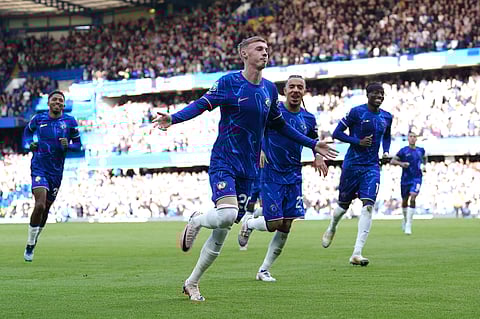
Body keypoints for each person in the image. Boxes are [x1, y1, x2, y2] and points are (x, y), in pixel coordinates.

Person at [152, 36, 338, 301]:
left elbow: (280, 125)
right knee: (227, 215)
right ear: (243, 53)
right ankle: (195, 219)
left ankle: (192, 282)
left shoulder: (270, 90)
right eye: (259, 49)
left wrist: (312, 144)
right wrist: (174, 118)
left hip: (250, 169)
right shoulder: (229, 83)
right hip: (225, 160)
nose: (265, 53)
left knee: (223, 231)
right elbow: (202, 105)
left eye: (267, 49)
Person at [237, 74, 329, 282]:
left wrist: (318, 156)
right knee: (274, 223)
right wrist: (259, 148)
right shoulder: (273, 111)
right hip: (271, 173)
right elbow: (255, 129)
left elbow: (313, 140)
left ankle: (264, 270)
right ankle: (249, 223)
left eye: (300, 87)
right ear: (285, 90)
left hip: (294, 175)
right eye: (292, 87)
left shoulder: (308, 118)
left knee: (287, 225)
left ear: (304, 91)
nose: (296, 90)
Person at [321, 82, 392, 266]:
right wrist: (357, 141)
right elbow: (337, 133)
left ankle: (357, 252)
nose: (379, 96)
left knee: (368, 205)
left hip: (372, 166)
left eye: (382, 93)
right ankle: (332, 226)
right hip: (352, 165)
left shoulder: (387, 117)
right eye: (376, 93)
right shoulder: (356, 112)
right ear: (367, 95)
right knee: (342, 206)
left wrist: (385, 151)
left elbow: (387, 136)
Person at [23, 90, 82, 262]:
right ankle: (29, 243)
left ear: (63, 105)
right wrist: (29, 144)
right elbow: (27, 133)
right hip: (39, 167)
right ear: (48, 103)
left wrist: (68, 146)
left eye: (60, 100)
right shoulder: (38, 119)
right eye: (54, 100)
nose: (57, 102)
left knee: (46, 209)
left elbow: (78, 144)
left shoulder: (70, 122)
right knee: (40, 205)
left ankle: (33, 241)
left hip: (56, 171)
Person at [390, 131, 426, 235]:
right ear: (408, 138)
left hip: (417, 178)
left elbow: (423, 160)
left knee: (413, 196)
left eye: (414, 136)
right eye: (411, 136)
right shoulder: (403, 151)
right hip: (405, 179)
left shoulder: (421, 150)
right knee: (404, 201)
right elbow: (392, 161)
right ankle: (405, 220)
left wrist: (423, 167)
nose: (412, 138)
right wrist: (401, 163)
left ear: (416, 139)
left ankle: (409, 225)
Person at [239, 169, 264, 251]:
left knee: (264, 210)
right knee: (250, 209)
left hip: (264, 179)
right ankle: (244, 238)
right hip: (254, 180)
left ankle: (248, 224)